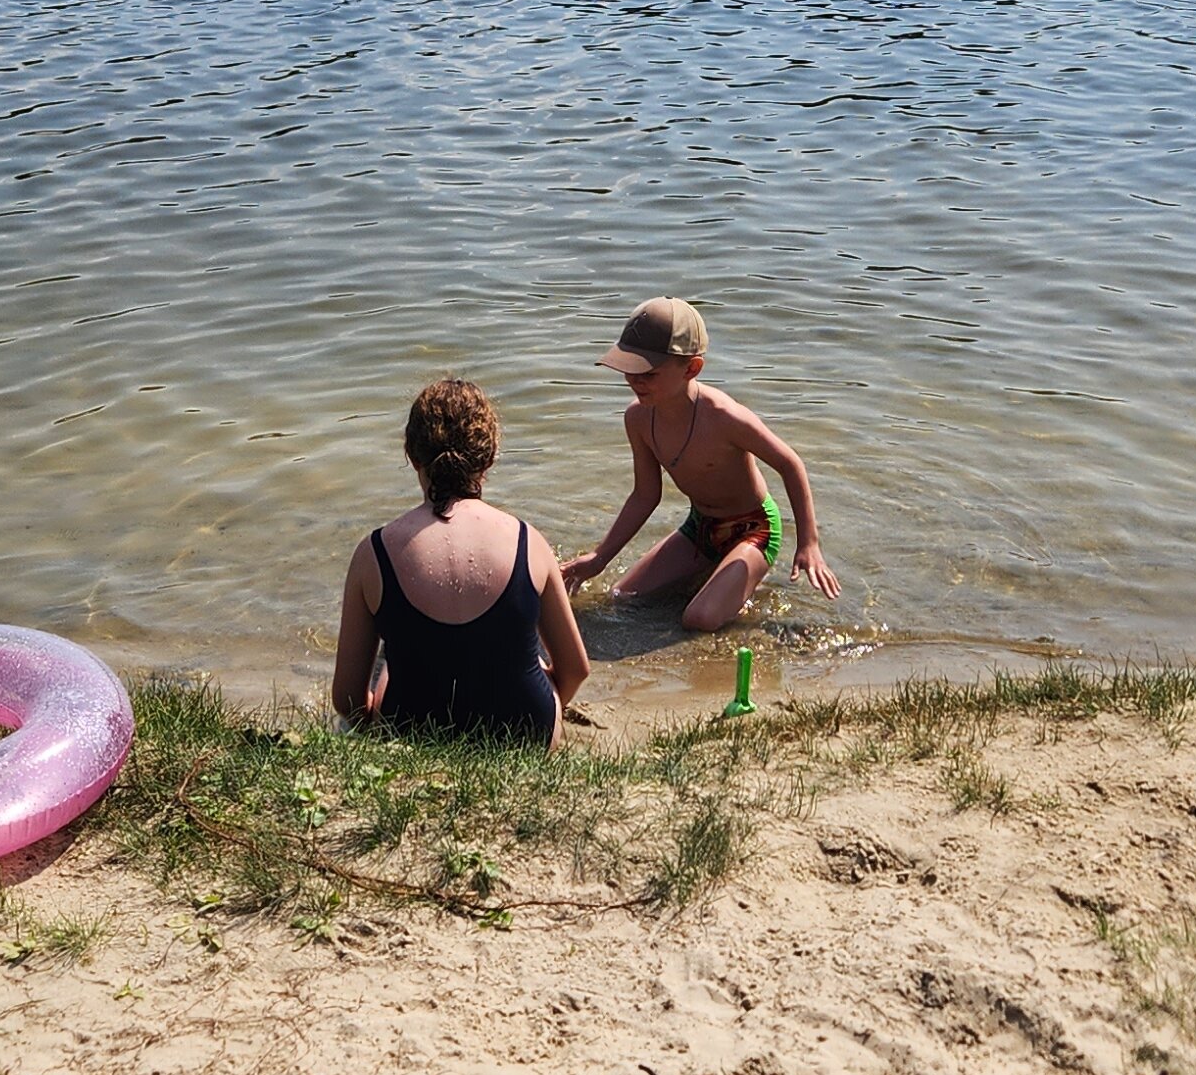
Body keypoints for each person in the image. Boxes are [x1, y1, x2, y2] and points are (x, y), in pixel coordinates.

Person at [333, 373, 588, 745]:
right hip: (523, 734)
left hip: (411, 732)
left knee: (384, 664)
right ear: (490, 457)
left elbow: (348, 701)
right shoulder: (527, 541)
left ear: (410, 454)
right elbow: (575, 670)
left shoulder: (375, 552)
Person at [564, 295, 841, 632]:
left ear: (691, 368)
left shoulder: (723, 417)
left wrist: (808, 543)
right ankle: (719, 578)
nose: (634, 381)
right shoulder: (637, 418)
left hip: (754, 529)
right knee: (623, 597)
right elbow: (645, 495)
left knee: (699, 619)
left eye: (647, 372)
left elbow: (790, 463)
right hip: (700, 527)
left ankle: (738, 582)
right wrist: (600, 557)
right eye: (628, 369)